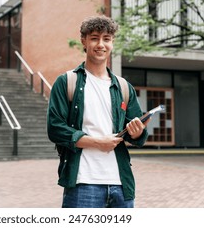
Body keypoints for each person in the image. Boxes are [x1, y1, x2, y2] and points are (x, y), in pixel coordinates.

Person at [47, 15, 149, 208]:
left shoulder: (124, 87)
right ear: (84, 41)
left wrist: (138, 132)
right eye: (94, 38)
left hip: (121, 184)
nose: (100, 44)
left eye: (106, 39)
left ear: (112, 42)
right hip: (83, 183)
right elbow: (55, 129)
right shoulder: (67, 82)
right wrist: (97, 142)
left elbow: (139, 135)